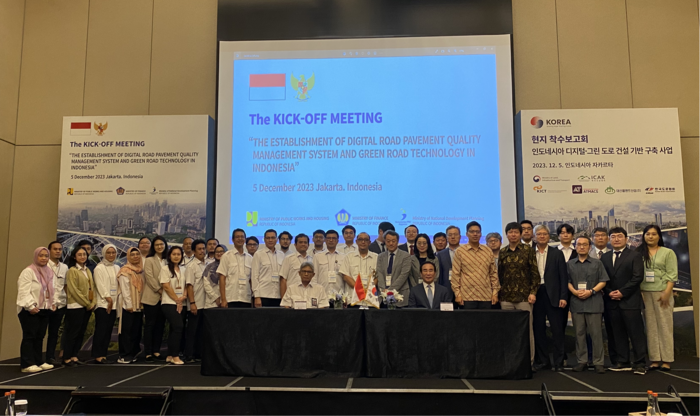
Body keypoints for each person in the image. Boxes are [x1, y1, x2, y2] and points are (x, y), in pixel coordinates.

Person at [600, 227, 647, 375]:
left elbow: (637, 277)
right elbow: (602, 279)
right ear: (609, 239)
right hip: (611, 301)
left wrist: (622, 292)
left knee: (636, 333)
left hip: (630, 301)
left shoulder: (635, 256)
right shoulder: (605, 257)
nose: (616, 239)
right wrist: (610, 293)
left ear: (626, 239)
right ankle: (623, 361)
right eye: (613, 236)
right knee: (617, 333)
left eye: (619, 236)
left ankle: (640, 363)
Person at [498, 222, 539, 365]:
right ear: (506, 234)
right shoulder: (502, 252)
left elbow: (535, 274)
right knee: (508, 332)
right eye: (510, 232)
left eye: (516, 232)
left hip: (524, 297)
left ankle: (529, 362)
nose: (513, 234)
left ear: (520, 234)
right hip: (506, 298)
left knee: (527, 332)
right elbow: (500, 275)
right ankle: (510, 362)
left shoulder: (528, 250)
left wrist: (533, 292)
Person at [637, 224, 677, 371]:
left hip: (662, 292)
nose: (651, 236)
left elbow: (672, 274)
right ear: (644, 236)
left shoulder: (668, 252)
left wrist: (667, 292)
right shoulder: (639, 252)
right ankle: (654, 359)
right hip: (645, 293)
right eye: (648, 234)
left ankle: (666, 360)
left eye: (654, 234)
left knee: (665, 326)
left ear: (659, 236)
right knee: (651, 327)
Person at [567, 236, 608, 374]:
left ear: (590, 247)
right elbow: (567, 281)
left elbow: (603, 281)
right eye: (579, 244)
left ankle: (598, 362)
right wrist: (575, 292)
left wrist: (591, 291)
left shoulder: (597, 263)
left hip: (594, 302)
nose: (582, 247)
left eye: (585, 244)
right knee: (579, 334)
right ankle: (582, 361)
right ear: (575, 246)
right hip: (577, 302)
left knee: (596, 334)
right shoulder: (570, 264)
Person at [532, 225, 568, 372]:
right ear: (534, 237)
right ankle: (543, 361)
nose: (541, 236)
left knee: (557, 329)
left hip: (553, 294)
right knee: (538, 329)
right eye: (538, 234)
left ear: (549, 236)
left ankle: (559, 362)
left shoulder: (556, 253)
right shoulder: (529, 253)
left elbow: (563, 277)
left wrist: (563, 296)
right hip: (535, 294)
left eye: (544, 234)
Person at [17, 247, 56, 373]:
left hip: (44, 309)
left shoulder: (49, 271)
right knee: (30, 336)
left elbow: (50, 290)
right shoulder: (28, 271)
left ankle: (38, 361)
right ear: (35, 256)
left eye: (46, 256)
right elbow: (23, 291)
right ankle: (27, 364)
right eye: (41, 255)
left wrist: (52, 303)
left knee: (40, 336)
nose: (44, 258)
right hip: (29, 310)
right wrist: (30, 306)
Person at [451, 222, 500, 309]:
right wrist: (457, 294)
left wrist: (495, 293)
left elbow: (493, 274)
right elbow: (455, 274)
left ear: (481, 234)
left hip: (486, 296)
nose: (475, 234)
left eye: (477, 232)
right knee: (468, 322)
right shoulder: (460, 251)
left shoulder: (488, 251)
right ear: (467, 234)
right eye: (472, 232)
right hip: (466, 296)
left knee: (485, 322)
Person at [63, 246, 96, 367]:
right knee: (73, 333)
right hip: (75, 306)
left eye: (84, 254)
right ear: (74, 257)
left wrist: (92, 302)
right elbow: (73, 290)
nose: (83, 257)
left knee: (81, 332)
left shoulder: (87, 270)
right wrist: (87, 303)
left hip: (86, 306)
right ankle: (66, 357)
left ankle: (74, 356)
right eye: (80, 255)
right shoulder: (72, 270)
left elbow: (92, 288)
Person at [142, 236, 168, 362]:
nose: (159, 247)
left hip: (165, 299)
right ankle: (147, 352)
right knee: (150, 325)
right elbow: (149, 277)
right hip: (152, 297)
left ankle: (156, 351)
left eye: (161, 244)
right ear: (153, 246)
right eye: (157, 245)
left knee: (160, 326)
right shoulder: (149, 260)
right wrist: (159, 290)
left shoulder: (168, 260)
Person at [92, 244, 119, 364]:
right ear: (104, 254)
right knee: (101, 330)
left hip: (114, 304)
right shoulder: (99, 268)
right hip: (103, 303)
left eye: (113, 252)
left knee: (108, 330)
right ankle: (97, 355)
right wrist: (108, 298)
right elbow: (100, 285)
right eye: (108, 253)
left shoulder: (117, 267)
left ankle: (103, 354)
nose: (111, 255)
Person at [116, 248, 144, 364]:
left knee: (135, 330)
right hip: (128, 306)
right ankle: (124, 354)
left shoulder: (140, 271)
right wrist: (129, 305)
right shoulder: (124, 271)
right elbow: (125, 290)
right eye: (132, 255)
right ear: (128, 257)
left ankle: (132, 352)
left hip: (139, 305)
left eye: (137, 254)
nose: (135, 256)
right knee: (126, 330)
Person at [160, 247, 186, 365]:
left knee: (173, 329)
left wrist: (183, 297)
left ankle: (170, 354)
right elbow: (166, 286)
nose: (176, 256)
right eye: (174, 254)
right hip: (169, 303)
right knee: (178, 327)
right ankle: (176, 356)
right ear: (169, 256)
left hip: (182, 302)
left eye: (179, 254)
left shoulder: (184, 269)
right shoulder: (165, 269)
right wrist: (177, 300)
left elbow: (188, 285)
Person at [184, 239, 207, 362]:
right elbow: (189, 286)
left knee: (201, 331)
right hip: (195, 303)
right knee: (192, 331)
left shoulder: (207, 265)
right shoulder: (191, 267)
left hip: (206, 304)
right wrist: (192, 303)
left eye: (203, 248)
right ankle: (189, 354)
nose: (202, 251)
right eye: (199, 249)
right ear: (193, 251)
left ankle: (199, 354)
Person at [376, 230, 412, 307]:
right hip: (383, 296)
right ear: (385, 241)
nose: (391, 243)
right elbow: (379, 274)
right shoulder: (380, 256)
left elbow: (403, 275)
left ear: (397, 241)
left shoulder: (405, 256)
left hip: (400, 295)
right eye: (388, 241)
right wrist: (383, 291)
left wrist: (389, 291)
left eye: (393, 241)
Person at [46, 241, 68, 366]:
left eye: (60, 249)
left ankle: (50, 357)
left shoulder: (64, 267)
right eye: (55, 249)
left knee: (54, 333)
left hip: (60, 304)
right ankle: (37, 357)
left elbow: (65, 286)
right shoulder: (44, 266)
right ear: (49, 251)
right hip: (46, 305)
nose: (58, 251)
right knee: (41, 333)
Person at [218, 229, 253, 308]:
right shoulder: (226, 256)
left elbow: (251, 280)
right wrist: (223, 299)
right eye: (237, 237)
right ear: (233, 239)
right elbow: (222, 278)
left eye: (242, 237)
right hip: (230, 298)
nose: (240, 239)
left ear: (245, 239)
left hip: (246, 298)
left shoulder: (250, 258)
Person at [252, 229, 283, 307]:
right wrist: (257, 296)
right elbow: (254, 276)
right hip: (263, 295)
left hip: (278, 295)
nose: (270, 240)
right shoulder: (258, 254)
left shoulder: (281, 255)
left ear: (277, 239)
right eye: (268, 238)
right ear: (264, 239)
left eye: (273, 238)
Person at [313, 229, 346, 295]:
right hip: (322, 293)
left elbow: (345, 277)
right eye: (329, 238)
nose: (331, 240)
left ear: (337, 241)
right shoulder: (317, 256)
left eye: (334, 238)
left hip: (339, 295)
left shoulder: (344, 257)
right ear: (325, 240)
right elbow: (314, 276)